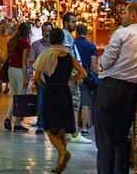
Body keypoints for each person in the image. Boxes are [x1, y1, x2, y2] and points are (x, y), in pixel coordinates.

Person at [95, 2, 137, 174]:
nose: (122, 16)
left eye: (124, 13)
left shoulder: (123, 33)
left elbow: (106, 62)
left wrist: (100, 62)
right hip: (132, 92)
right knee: (121, 138)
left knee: (104, 140)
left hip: (111, 89)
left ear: (133, 16)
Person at [33, 28, 87, 173]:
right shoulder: (69, 57)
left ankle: (62, 152)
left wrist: (45, 85)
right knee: (62, 128)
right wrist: (70, 79)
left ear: (50, 39)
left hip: (51, 92)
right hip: (65, 91)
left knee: (49, 127)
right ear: (63, 40)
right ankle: (58, 164)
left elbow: (36, 77)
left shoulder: (46, 55)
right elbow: (83, 73)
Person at [61, 13, 91, 145]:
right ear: (66, 23)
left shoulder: (67, 36)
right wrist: (76, 72)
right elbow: (68, 55)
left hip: (69, 73)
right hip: (72, 74)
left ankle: (69, 131)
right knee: (75, 103)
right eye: (73, 22)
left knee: (71, 103)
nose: (75, 25)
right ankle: (74, 132)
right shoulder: (66, 35)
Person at [3, 22, 31, 132]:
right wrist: (26, 77)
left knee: (15, 96)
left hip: (11, 70)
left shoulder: (11, 41)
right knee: (21, 97)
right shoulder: (25, 44)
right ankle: (17, 122)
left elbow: (5, 57)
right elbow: (24, 62)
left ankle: (8, 118)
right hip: (20, 71)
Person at [29, 22, 53, 134]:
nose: (47, 33)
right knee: (40, 102)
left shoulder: (56, 46)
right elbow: (31, 61)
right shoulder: (36, 45)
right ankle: (41, 125)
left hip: (54, 80)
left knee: (54, 102)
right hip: (41, 79)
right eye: (45, 31)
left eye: (49, 31)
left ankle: (53, 124)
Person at [74, 23, 98, 136]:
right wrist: (95, 77)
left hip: (74, 75)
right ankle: (83, 128)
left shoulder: (73, 44)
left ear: (76, 33)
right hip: (86, 76)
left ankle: (74, 128)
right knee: (85, 103)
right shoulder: (91, 46)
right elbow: (93, 63)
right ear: (86, 33)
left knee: (75, 103)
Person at [0, 23, 11, 94]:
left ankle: (0, 87)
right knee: (6, 71)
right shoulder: (9, 38)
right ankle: (7, 86)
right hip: (6, 56)